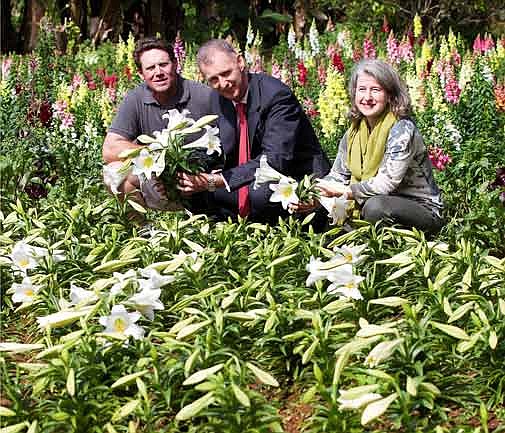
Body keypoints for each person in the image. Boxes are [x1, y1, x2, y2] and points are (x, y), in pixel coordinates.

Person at [176, 39, 330, 224]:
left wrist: (214, 181)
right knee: (192, 190)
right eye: (213, 80)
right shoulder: (218, 99)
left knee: (258, 194)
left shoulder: (276, 95)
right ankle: (218, 237)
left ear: (240, 62)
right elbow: (222, 148)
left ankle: (284, 233)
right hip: (253, 174)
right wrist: (191, 172)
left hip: (295, 174)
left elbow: (275, 160)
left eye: (226, 73)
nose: (223, 83)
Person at [293, 58, 444, 233]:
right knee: (318, 212)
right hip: (370, 203)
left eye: (376, 90)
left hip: (421, 209)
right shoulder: (353, 132)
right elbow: (337, 176)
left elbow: (386, 184)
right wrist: (313, 194)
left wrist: (342, 191)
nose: (367, 97)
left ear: (390, 95)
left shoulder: (402, 129)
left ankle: (389, 252)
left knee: (375, 207)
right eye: (362, 89)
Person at [102, 36, 213, 210]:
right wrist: (159, 155)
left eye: (163, 65)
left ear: (176, 64)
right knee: (113, 173)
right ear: (141, 74)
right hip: (160, 177)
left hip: (201, 182)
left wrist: (205, 179)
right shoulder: (135, 98)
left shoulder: (205, 96)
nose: (158, 72)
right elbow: (109, 149)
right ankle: (144, 229)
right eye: (150, 68)